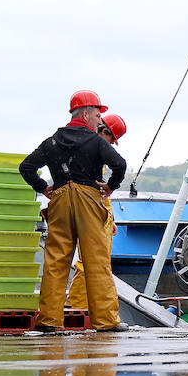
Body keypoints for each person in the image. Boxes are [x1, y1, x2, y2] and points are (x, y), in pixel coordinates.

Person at [20, 90, 127, 331]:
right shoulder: (96, 141)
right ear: (87, 113)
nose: (100, 120)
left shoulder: (52, 142)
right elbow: (119, 165)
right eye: (98, 115)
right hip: (89, 200)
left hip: (58, 201)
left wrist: (43, 188)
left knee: (56, 262)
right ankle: (106, 321)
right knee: (96, 262)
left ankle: (48, 321)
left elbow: (26, 167)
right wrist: (110, 187)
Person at [67, 114, 127, 311]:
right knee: (89, 263)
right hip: (89, 208)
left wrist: (110, 219)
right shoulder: (91, 148)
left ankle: (84, 307)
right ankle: (77, 307)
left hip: (96, 209)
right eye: (112, 139)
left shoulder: (90, 149)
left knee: (95, 262)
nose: (111, 145)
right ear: (105, 132)